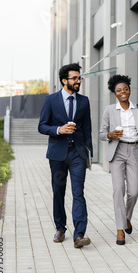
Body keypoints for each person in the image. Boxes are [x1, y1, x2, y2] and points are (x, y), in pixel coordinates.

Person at [38, 63, 93, 249]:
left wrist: (88, 155)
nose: (78, 81)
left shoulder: (84, 101)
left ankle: (79, 235)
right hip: (57, 154)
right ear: (64, 80)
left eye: (79, 78)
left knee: (78, 193)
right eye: (75, 78)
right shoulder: (51, 100)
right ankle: (60, 228)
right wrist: (59, 129)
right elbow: (42, 126)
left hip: (77, 153)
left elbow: (87, 129)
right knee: (58, 192)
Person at [99, 74, 138, 245]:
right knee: (118, 190)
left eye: (125, 89)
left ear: (130, 90)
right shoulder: (109, 110)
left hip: (135, 150)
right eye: (119, 90)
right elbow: (101, 134)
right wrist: (110, 134)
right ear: (115, 93)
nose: (123, 92)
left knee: (134, 191)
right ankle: (120, 229)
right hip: (117, 151)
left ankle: (127, 217)